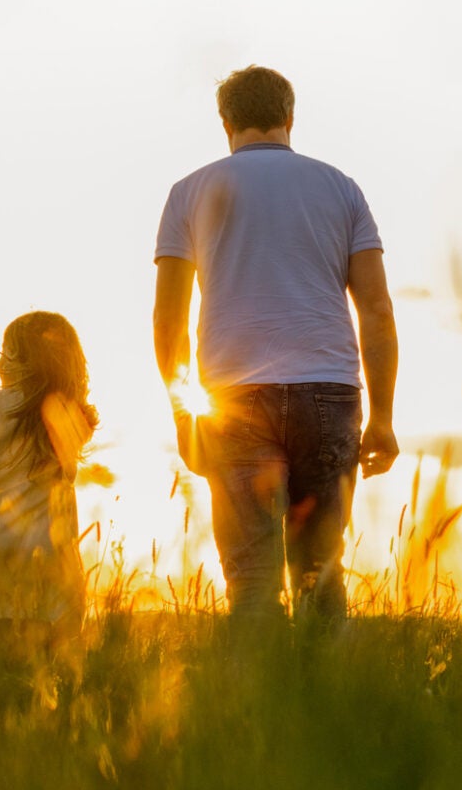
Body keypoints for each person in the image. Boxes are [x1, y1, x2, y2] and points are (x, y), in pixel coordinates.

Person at [153, 65, 400, 620]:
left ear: (226, 123)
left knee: (252, 586)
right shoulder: (342, 188)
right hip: (330, 392)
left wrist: (182, 415)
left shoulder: (189, 191)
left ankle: (253, 706)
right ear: (290, 117)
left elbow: (169, 321)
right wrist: (382, 416)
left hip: (234, 398)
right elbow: (377, 310)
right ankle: (328, 705)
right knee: (322, 581)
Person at [0, 312, 98, 652]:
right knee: (44, 693)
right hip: (60, 590)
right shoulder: (70, 420)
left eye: (6, 351)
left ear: (23, 359)